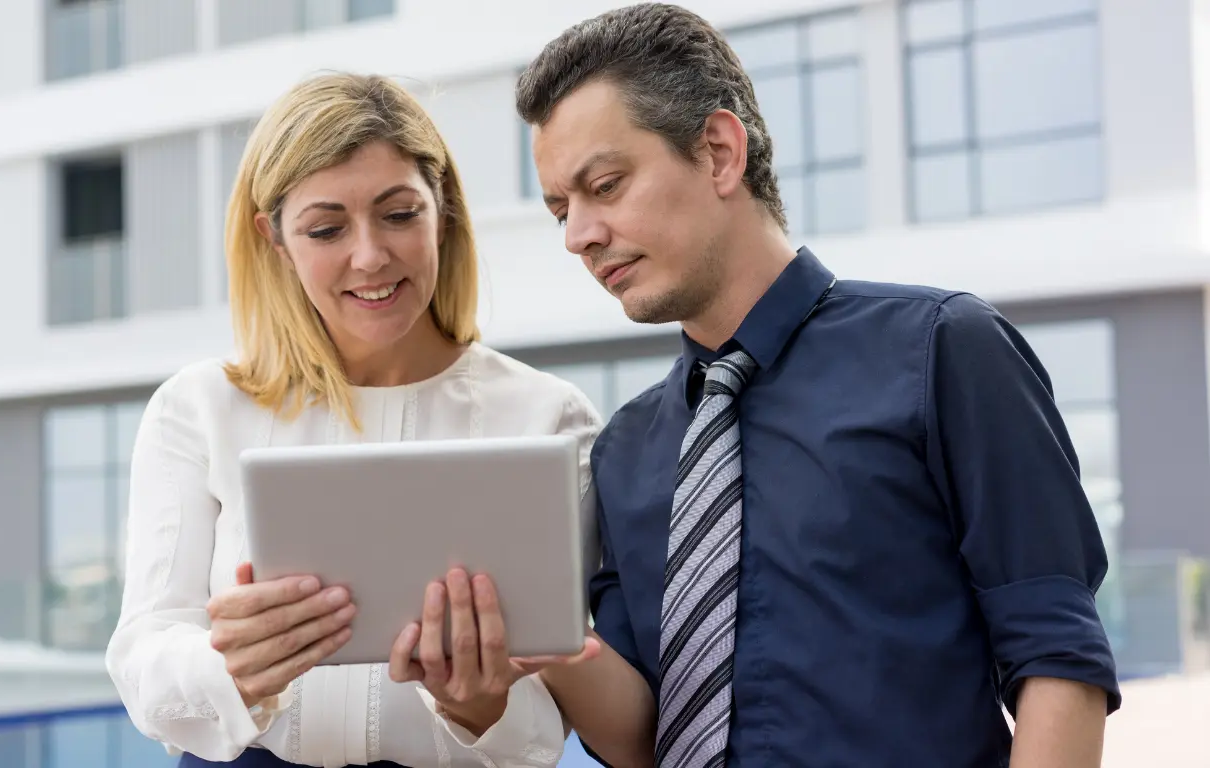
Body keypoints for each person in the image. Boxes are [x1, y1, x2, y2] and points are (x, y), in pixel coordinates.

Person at [513, 4, 1122, 767]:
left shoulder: (942, 351)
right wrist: (544, 642)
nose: (579, 236)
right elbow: (644, 737)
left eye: (604, 186)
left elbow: (1057, 659)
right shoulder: (627, 450)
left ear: (718, 152)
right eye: (561, 209)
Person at [105, 72, 601, 767]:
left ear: (444, 209)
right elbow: (144, 658)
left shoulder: (545, 417)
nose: (369, 256)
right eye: (326, 228)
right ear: (275, 239)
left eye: (399, 214)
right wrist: (234, 669)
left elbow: (550, 714)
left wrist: (478, 705)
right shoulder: (199, 409)